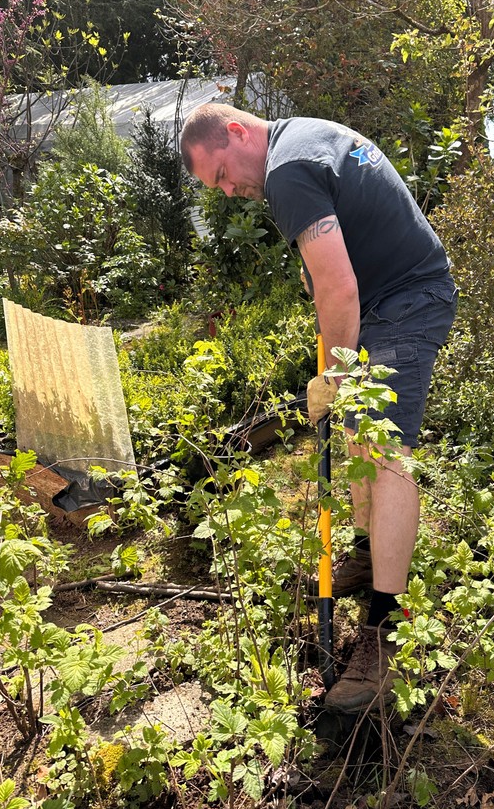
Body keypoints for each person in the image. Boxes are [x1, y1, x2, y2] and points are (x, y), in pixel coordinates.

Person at [180, 104, 457, 714]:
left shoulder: (286, 169)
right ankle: (366, 557)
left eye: (222, 175)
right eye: (217, 187)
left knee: (386, 455)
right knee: (360, 438)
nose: (229, 191)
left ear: (236, 132)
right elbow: (326, 274)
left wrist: (332, 376)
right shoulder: (304, 144)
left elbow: (338, 288)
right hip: (389, 298)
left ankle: (385, 632)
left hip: (406, 300)